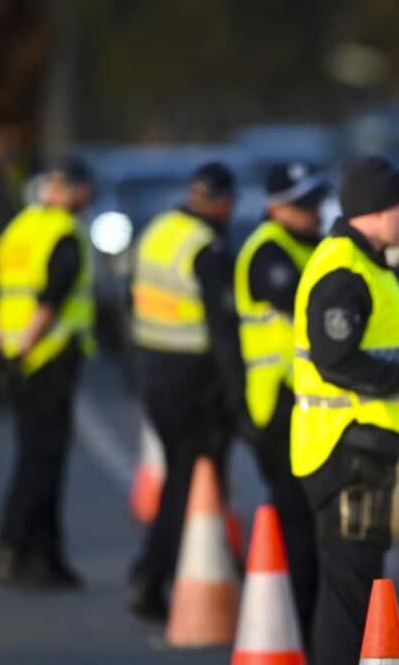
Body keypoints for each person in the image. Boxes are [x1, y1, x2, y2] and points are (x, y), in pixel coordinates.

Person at [290, 156, 399, 665]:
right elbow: (337, 362)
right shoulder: (343, 271)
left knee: (352, 579)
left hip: (358, 444)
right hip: (346, 446)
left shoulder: (367, 265)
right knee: (349, 586)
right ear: (375, 210)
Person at [128, 162, 245, 621]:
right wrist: (238, 391)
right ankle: (152, 578)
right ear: (222, 202)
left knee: (189, 480)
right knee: (189, 484)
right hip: (194, 381)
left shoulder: (159, 230)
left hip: (154, 369)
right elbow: (222, 332)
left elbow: (129, 300)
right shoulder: (207, 249)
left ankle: (199, 570)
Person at [0, 156, 94, 589]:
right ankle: (15, 549)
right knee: (41, 461)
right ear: (75, 191)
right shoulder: (63, 234)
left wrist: (1, 353)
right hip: (47, 358)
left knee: (37, 456)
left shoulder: (19, 229)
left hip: (15, 356)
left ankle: (47, 555)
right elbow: (51, 301)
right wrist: (27, 347)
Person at [234, 161, 325, 639]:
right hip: (278, 406)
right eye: (302, 203)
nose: (313, 210)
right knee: (295, 521)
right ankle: (300, 628)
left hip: (307, 404)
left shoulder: (308, 245)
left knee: (310, 522)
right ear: (275, 208)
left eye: (314, 199)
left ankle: (307, 625)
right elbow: (308, 307)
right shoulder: (266, 252)